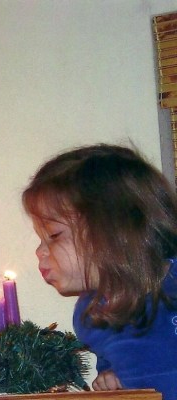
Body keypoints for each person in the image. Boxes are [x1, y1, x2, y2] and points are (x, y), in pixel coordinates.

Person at [22, 143, 177, 398]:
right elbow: (117, 359)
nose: (40, 252)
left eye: (54, 235)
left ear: (114, 230)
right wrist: (111, 376)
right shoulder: (90, 314)